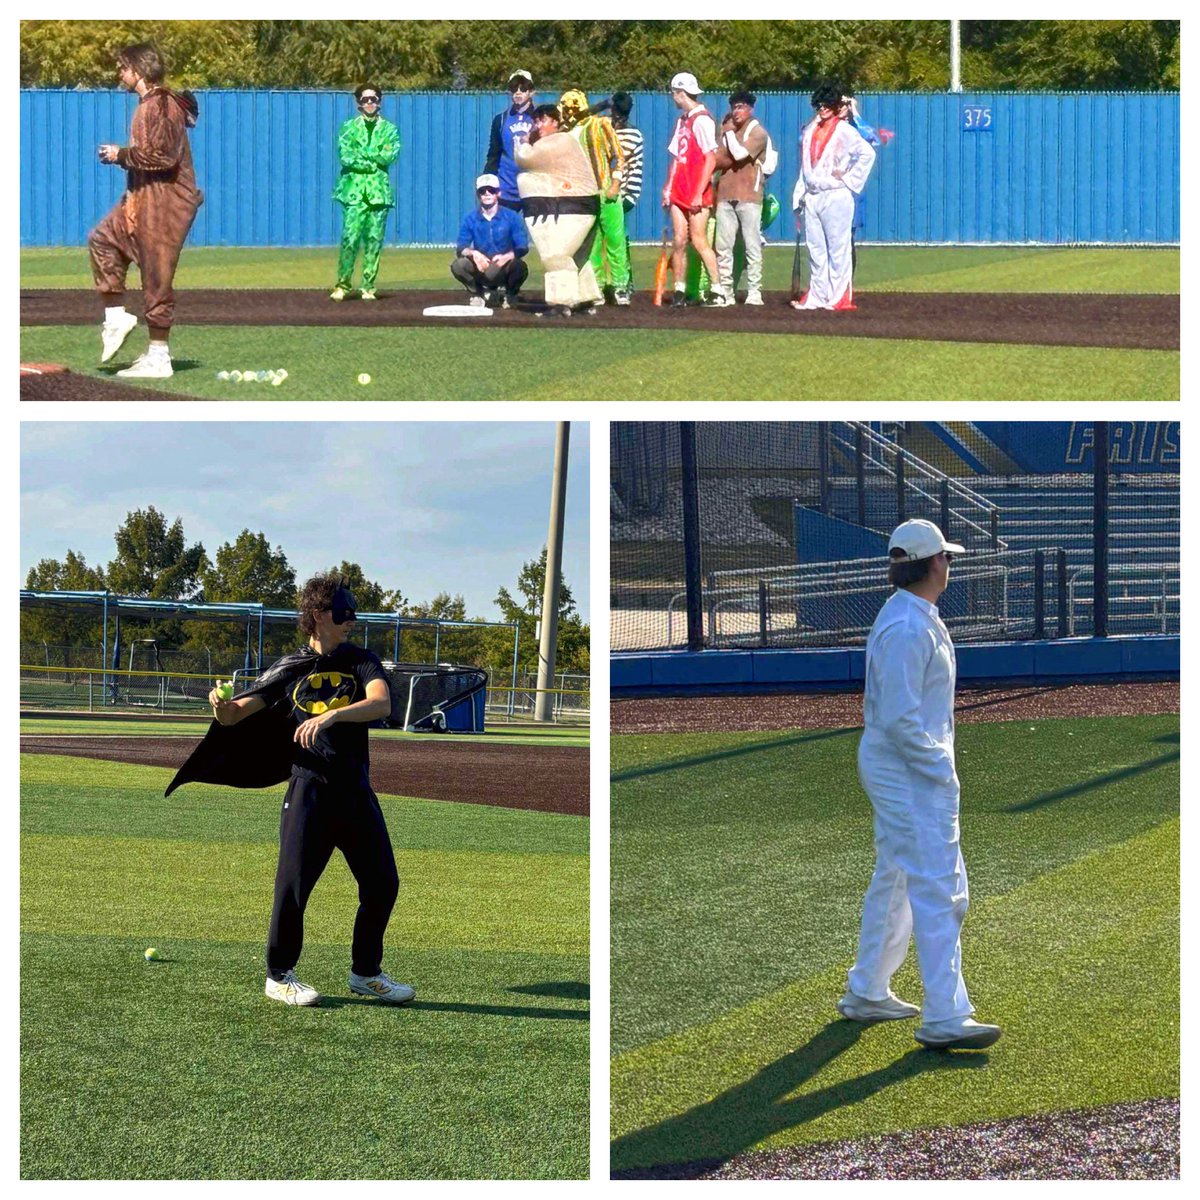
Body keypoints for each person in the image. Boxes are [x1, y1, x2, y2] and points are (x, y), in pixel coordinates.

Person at [166, 574, 414, 1008]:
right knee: (294, 887)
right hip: (308, 792)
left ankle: (365, 973)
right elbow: (237, 714)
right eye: (342, 612)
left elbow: (381, 704)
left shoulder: (361, 661)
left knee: (382, 884)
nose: (351, 620)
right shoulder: (291, 667)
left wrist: (333, 716)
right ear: (318, 616)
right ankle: (279, 975)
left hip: (355, 792)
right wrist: (222, 706)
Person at [839, 519, 1001, 1051]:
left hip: (901, 766)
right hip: (909, 770)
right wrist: (939, 768)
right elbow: (899, 718)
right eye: (947, 558)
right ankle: (946, 1014)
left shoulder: (910, 616)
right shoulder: (909, 626)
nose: (949, 564)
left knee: (899, 876)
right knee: (939, 883)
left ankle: (867, 988)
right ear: (933, 564)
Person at [89, 42, 202, 380]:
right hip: (140, 196)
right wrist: (124, 157)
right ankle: (116, 317)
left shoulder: (163, 105)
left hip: (166, 201)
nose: (119, 74)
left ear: (139, 70)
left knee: (156, 277)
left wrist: (119, 155)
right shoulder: (146, 105)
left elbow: (165, 158)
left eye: (124, 67)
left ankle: (159, 356)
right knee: (102, 239)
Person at [790, 81, 876, 312]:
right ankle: (818, 295)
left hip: (836, 194)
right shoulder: (809, 131)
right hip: (813, 195)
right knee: (815, 249)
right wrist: (799, 194)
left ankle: (839, 297)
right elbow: (805, 166)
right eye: (819, 104)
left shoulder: (845, 130)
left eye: (827, 104)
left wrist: (849, 179)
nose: (822, 108)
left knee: (838, 248)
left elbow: (867, 153)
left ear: (835, 105)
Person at [515, 103, 602, 318]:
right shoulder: (565, 140)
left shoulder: (558, 141)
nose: (537, 125)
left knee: (555, 254)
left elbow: (526, 159)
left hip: (571, 205)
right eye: (535, 121)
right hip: (579, 204)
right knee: (577, 256)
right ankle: (585, 297)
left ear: (555, 122)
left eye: (542, 120)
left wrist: (523, 142)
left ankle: (561, 302)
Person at [330, 85, 401, 302]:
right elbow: (346, 156)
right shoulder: (348, 128)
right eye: (365, 99)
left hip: (378, 194)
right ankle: (342, 284)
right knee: (350, 238)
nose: (370, 103)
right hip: (354, 193)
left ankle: (368, 286)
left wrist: (366, 155)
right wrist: (372, 160)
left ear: (379, 101)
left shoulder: (390, 129)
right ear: (358, 102)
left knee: (374, 240)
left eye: (373, 99)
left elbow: (389, 155)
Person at [558, 90, 628, 307]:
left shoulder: (600, 124)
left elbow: (618, 156)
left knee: (614, 238)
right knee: (592, 243)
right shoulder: (568, 133)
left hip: (605, 188)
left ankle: (620, 285)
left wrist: (615, 183)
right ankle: (596, 285)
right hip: (583, 194)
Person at [662, 72, 726, 307]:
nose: (673, 98)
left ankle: (718, 290)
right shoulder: (682, 121)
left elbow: (710, 158)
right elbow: (678, 157)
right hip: (680, 188)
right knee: (679, 240)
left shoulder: (702, 120)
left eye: (674, 93)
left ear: (681, 93)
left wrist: (699, 192)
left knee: (698, 240)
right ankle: (679, 289)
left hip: (696, 189)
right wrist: (668, 188)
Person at [712, 90, 771, 306]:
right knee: (723, 246)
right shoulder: (727, 131)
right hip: (725, 193)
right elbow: (718, 158)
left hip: (749, 195)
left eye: (741, 106)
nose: (737, 111)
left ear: (750, 109)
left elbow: (738, 155)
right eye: (734, 107)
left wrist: (727, 133)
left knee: (751, 245)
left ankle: (755, 292)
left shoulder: (758, 133)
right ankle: (725, 292)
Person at [450, 173, 530, 307]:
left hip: (504, 267)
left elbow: (522, 247)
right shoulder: (470, 218)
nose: (487, 194)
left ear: (498, 193)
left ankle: (510, 295)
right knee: (459, 265)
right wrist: (474, 253)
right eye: (482, 191)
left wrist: (506, 257)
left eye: (491, 190)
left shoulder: (512, 217)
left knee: (519, 267)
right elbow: (461, 247)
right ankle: (478, 294)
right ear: (478, 195)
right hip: (481, 266)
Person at [839, 88, 893, 280]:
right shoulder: (825, 128)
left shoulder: (856, 129)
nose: (842, 107)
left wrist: (856, 114)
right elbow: (804, 140)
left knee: (847, 240)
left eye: (845, 103)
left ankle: (846, 284)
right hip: (828, 191)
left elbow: (874, 140)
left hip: (850, 193)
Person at [484, 69, 538, 213]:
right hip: (506, 188)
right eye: (514, 89)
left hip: (533, 189)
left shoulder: (540, 119)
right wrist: (488, 182)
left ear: (532, 92)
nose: (518, 93)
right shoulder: (500, 120)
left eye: (523, 88)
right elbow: (494, 154)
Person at [608, 92, 643, 301]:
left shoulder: (630, 135)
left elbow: (612, 158)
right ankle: (622, 281)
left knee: (616, 237)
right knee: (618, 235)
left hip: (625, 192)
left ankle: (624, 282)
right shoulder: (629, 132)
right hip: (622, 192)